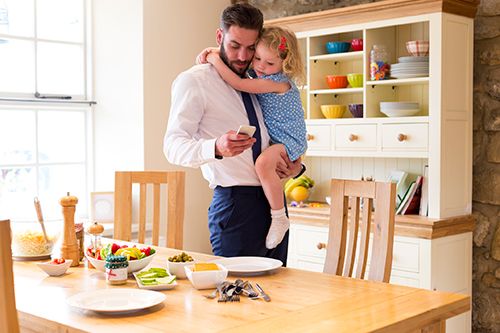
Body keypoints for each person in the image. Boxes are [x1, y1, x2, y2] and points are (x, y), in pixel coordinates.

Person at [163, 3, 303, 263]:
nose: (242, 56)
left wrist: (296, 168)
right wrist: (215, 147)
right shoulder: (195, 81)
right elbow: (172, 145)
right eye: (234, 45)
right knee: (235, 296)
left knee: (279, 295)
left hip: (274, 204)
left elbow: (279, 127)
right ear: (219, 37)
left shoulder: (259, 76)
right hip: (236, 206)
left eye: (251, 48)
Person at [198, 26, 307, 249]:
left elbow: (239, 84)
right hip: (236, 199)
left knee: (263, 164)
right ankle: (278, 214)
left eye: (269, 63)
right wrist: (217, 52)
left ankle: (279, 217)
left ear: (283, 65)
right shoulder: (259, 74)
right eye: (257, 58)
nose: (259, 66)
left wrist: (214, 58)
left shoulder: (276, 82)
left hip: (288, 141)